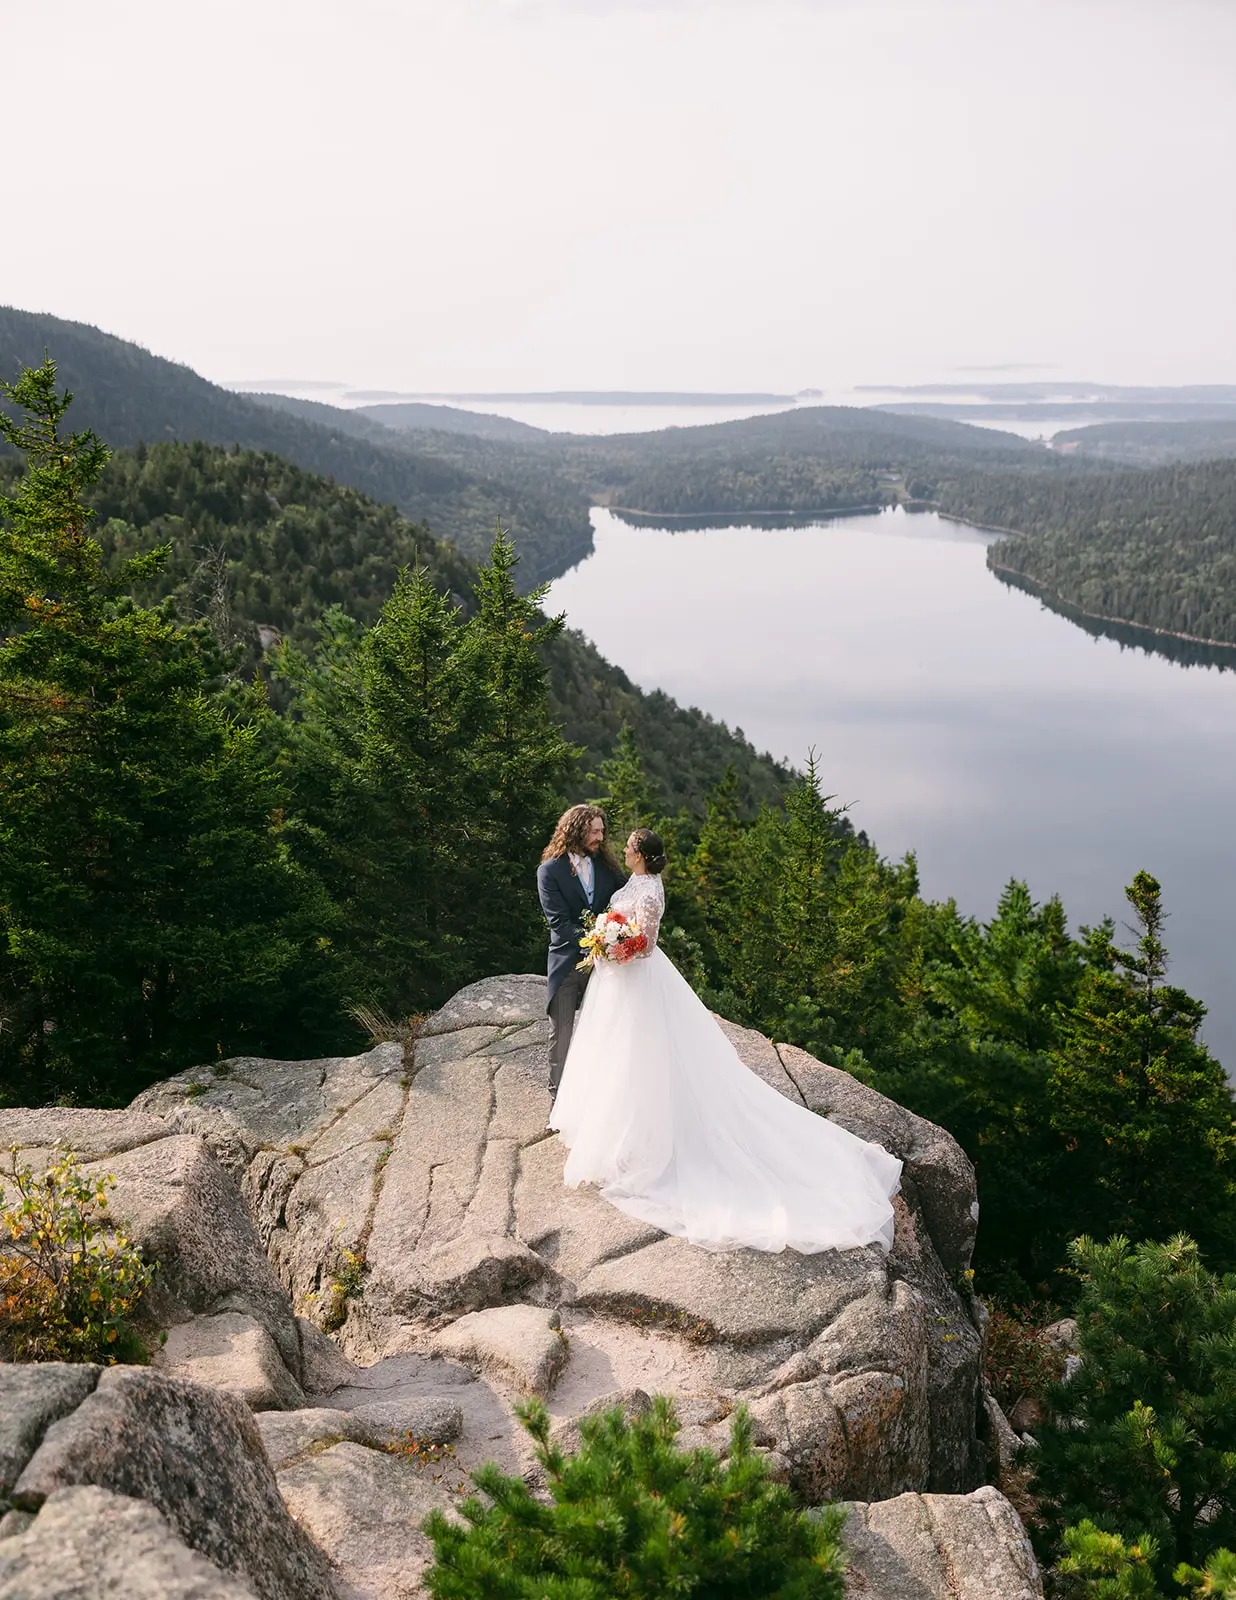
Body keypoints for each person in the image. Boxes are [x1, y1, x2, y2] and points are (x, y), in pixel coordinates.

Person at [549, 828, 903, 1255]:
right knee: (616, 1056)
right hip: (618, 982)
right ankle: (615, 1135)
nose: (621, 849)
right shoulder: (636, 882)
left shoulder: (650, 891)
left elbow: (646, 944)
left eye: (627, 846)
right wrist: (607, 936)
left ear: (641, 854)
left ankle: (639, 1142)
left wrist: (613, 944)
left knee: (637, 1057)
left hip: (636, 979)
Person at [537, 804, 627, 1106]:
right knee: (560, 1036)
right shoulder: (549, 871)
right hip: (566, 964)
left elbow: (625, 900)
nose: (600, 837)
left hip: (604, 967)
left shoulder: (608, 868)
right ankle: (558, 1102)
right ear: (576, 830)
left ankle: (600, 1101)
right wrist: (597, 939)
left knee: (603, 1031)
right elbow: (559, 924)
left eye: (602, 830)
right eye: (594, 831)